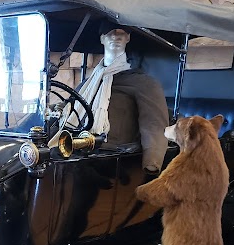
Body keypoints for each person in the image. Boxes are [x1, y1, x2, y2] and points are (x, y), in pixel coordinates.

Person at [61, 19, 169, 172]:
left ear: (128, 38)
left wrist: (152, 163)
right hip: (77, 155)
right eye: (110, 33)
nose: (116, 37)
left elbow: (154, 124)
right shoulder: (87, 85)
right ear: (102, 39)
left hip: (113, 162)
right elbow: (67, 112)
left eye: (121, 33)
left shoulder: (143, 83)